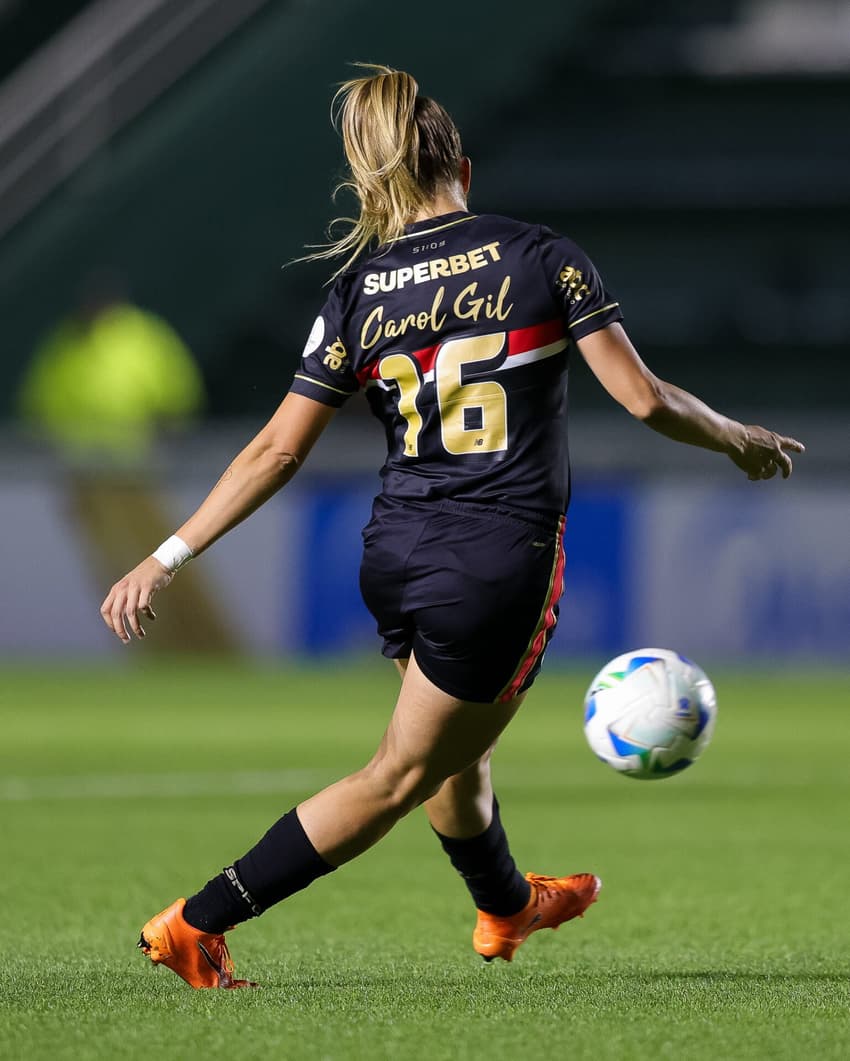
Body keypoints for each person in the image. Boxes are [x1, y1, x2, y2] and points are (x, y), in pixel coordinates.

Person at [100, 65, 804, 990]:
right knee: (401, 771)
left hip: (394, 551)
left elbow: (275, 450)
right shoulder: (540, 255)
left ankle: (507, 905)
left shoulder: (358, 292)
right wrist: (738, 439)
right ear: (461, 166)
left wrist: (167, 552)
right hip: (496, 554)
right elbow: (644, 398)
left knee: (452, 758)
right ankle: (199, 920)